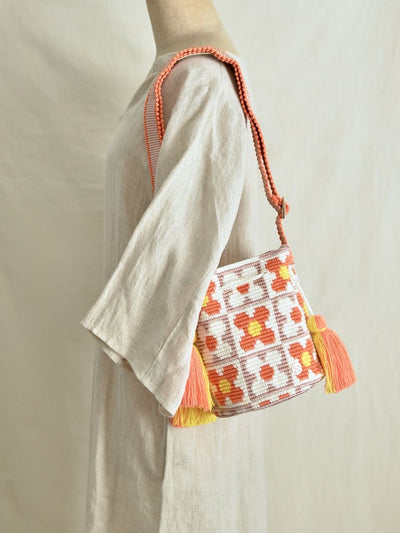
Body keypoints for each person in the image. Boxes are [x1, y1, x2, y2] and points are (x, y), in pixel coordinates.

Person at [80, 1, 270, 530]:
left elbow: (184, 246)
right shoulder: (173, 73)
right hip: (149, 380)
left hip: (176, 390)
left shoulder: (202, 81)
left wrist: (120, 327)